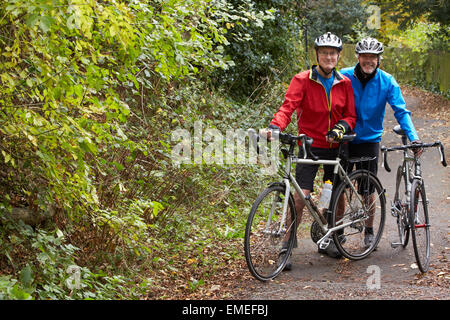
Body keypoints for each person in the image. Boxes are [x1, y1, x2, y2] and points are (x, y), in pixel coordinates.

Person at [264, 32, 357, 269]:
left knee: (336, 195)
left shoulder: (344, 83)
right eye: (324, 52)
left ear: (338, 56)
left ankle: (334, 237)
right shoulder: (302, 80)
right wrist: (275, 126)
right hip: (309, 146)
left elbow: (350, 115)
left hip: (335, 147)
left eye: (333, 53)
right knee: (300, 196)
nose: (329, 56)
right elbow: (288, 107)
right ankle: (287, 244)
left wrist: (341, 127)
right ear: (316, 55)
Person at [340, 37, 422, 249]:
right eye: (365, 56)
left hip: (369, 140)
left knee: (368, 189)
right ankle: (337, 232)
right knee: (340, 186)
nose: (368, 60)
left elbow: (401, 111)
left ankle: (369, 231)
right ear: (358, 57)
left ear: (378, 59)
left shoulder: (387, 81)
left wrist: (413, 137)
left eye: (373, 57)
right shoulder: (344, 76)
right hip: (345, 138)